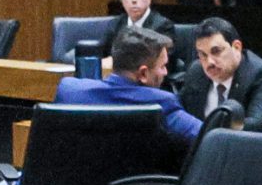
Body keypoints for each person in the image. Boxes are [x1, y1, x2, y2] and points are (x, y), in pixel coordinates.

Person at [55, 27, 202, 151]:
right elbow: (206, 136)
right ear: (143, 73)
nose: (165, 72)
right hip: (137, 184)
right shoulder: (161, 103)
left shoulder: (69, 90)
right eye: (162, 66)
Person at [175, 18, 262, 132]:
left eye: (216, 51)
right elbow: (180, 110)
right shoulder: (196, 71)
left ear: (236, 47)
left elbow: (255, 126)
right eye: (203, 55)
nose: (209, 62)